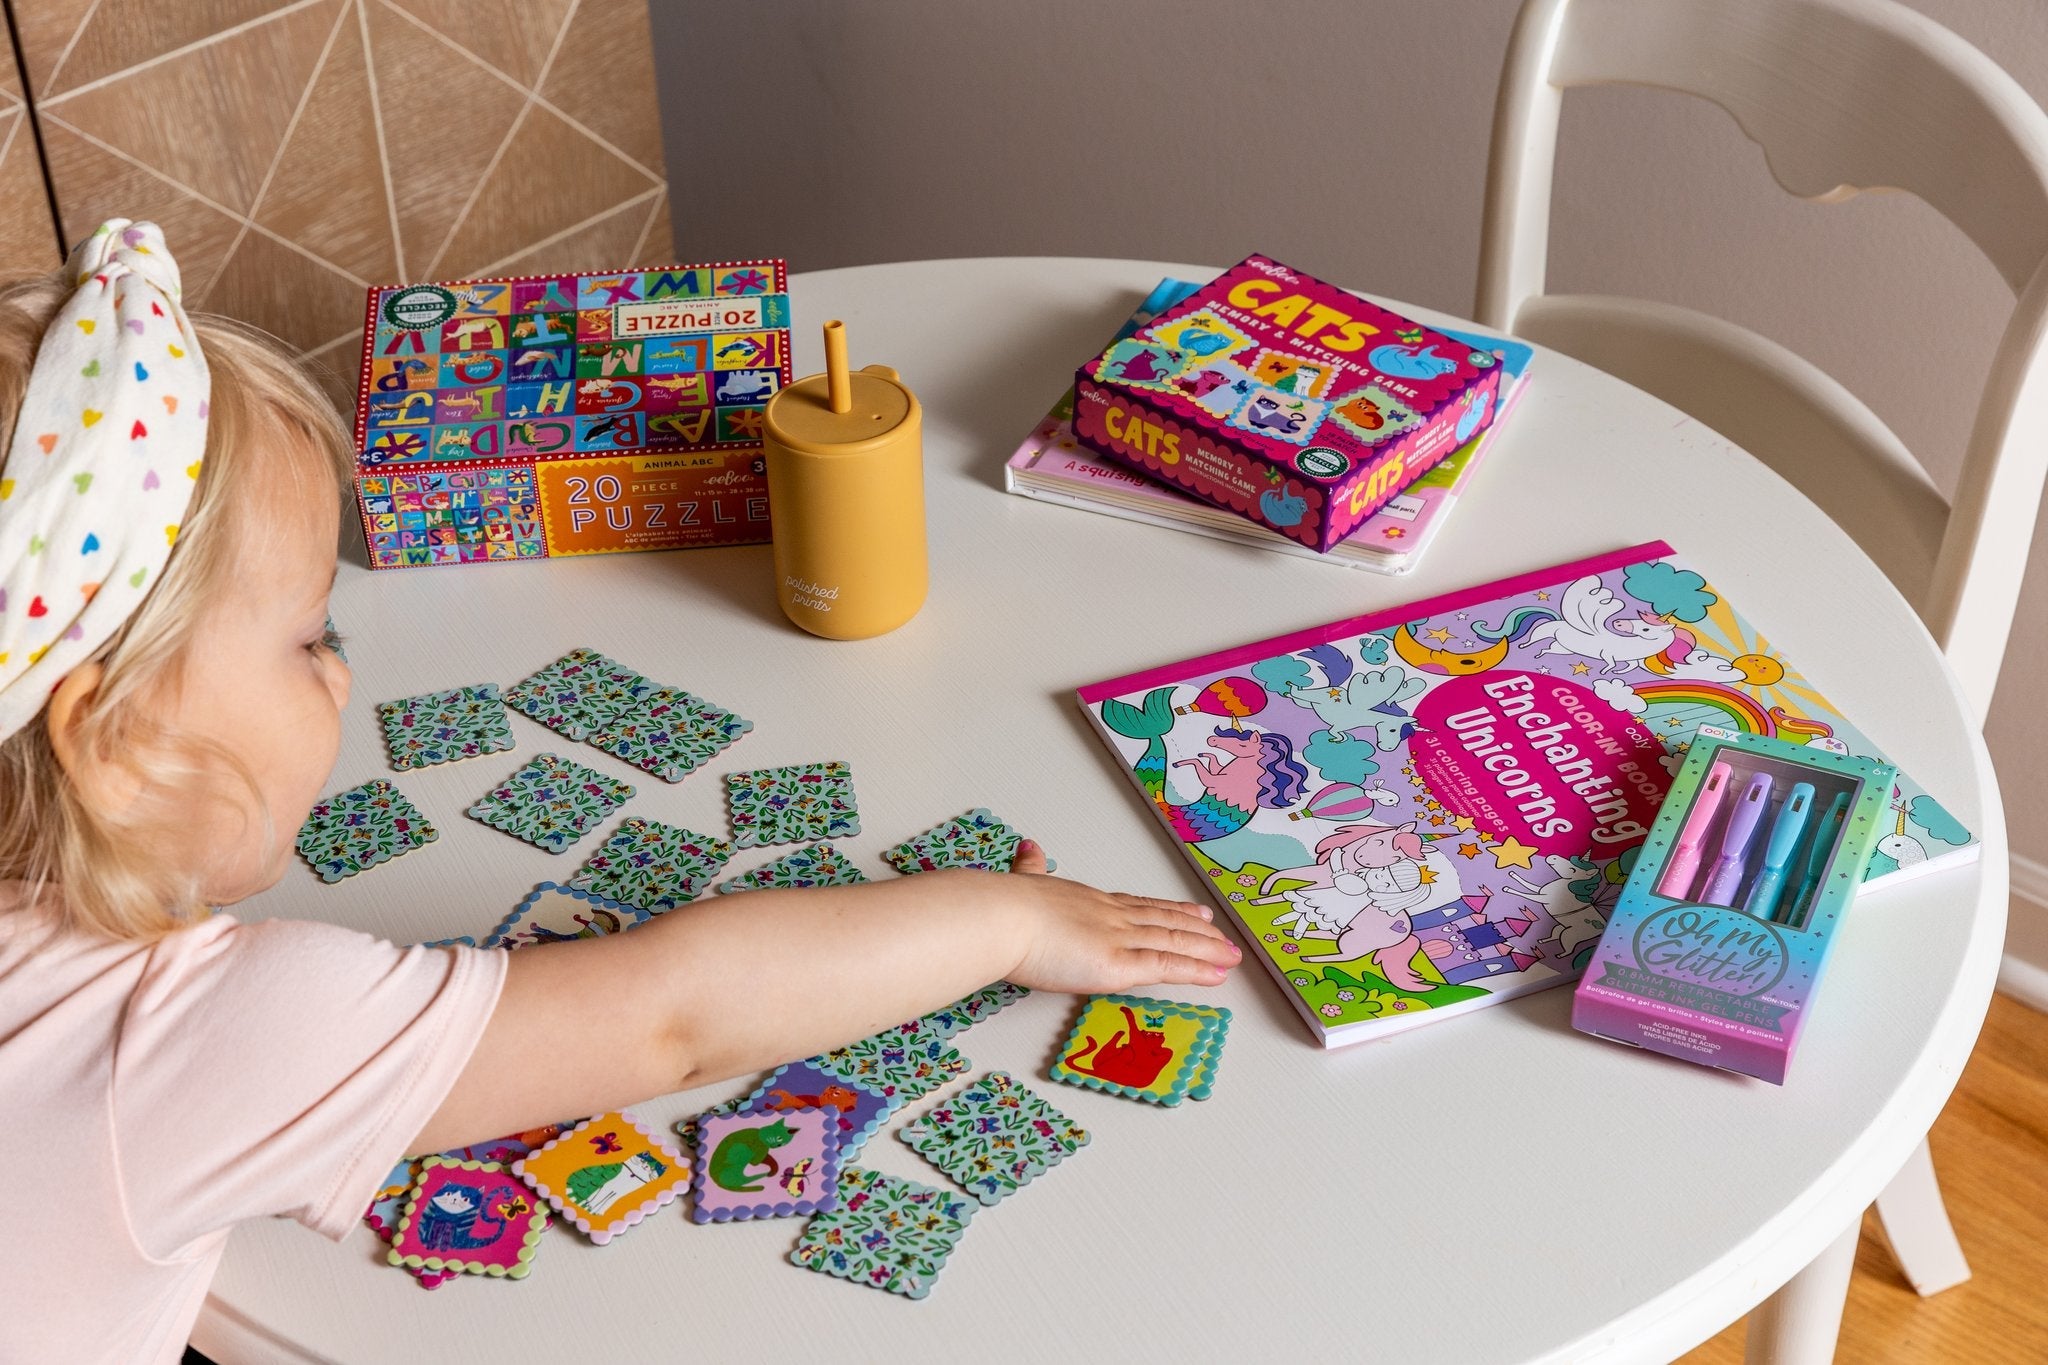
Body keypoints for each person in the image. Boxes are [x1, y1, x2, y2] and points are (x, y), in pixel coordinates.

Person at [0, 222, 1238, 1363]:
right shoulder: (177, 1044)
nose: (341, 678)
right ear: (117, 744)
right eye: (313, 639)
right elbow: (673, 1017)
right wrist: (1003, 921)